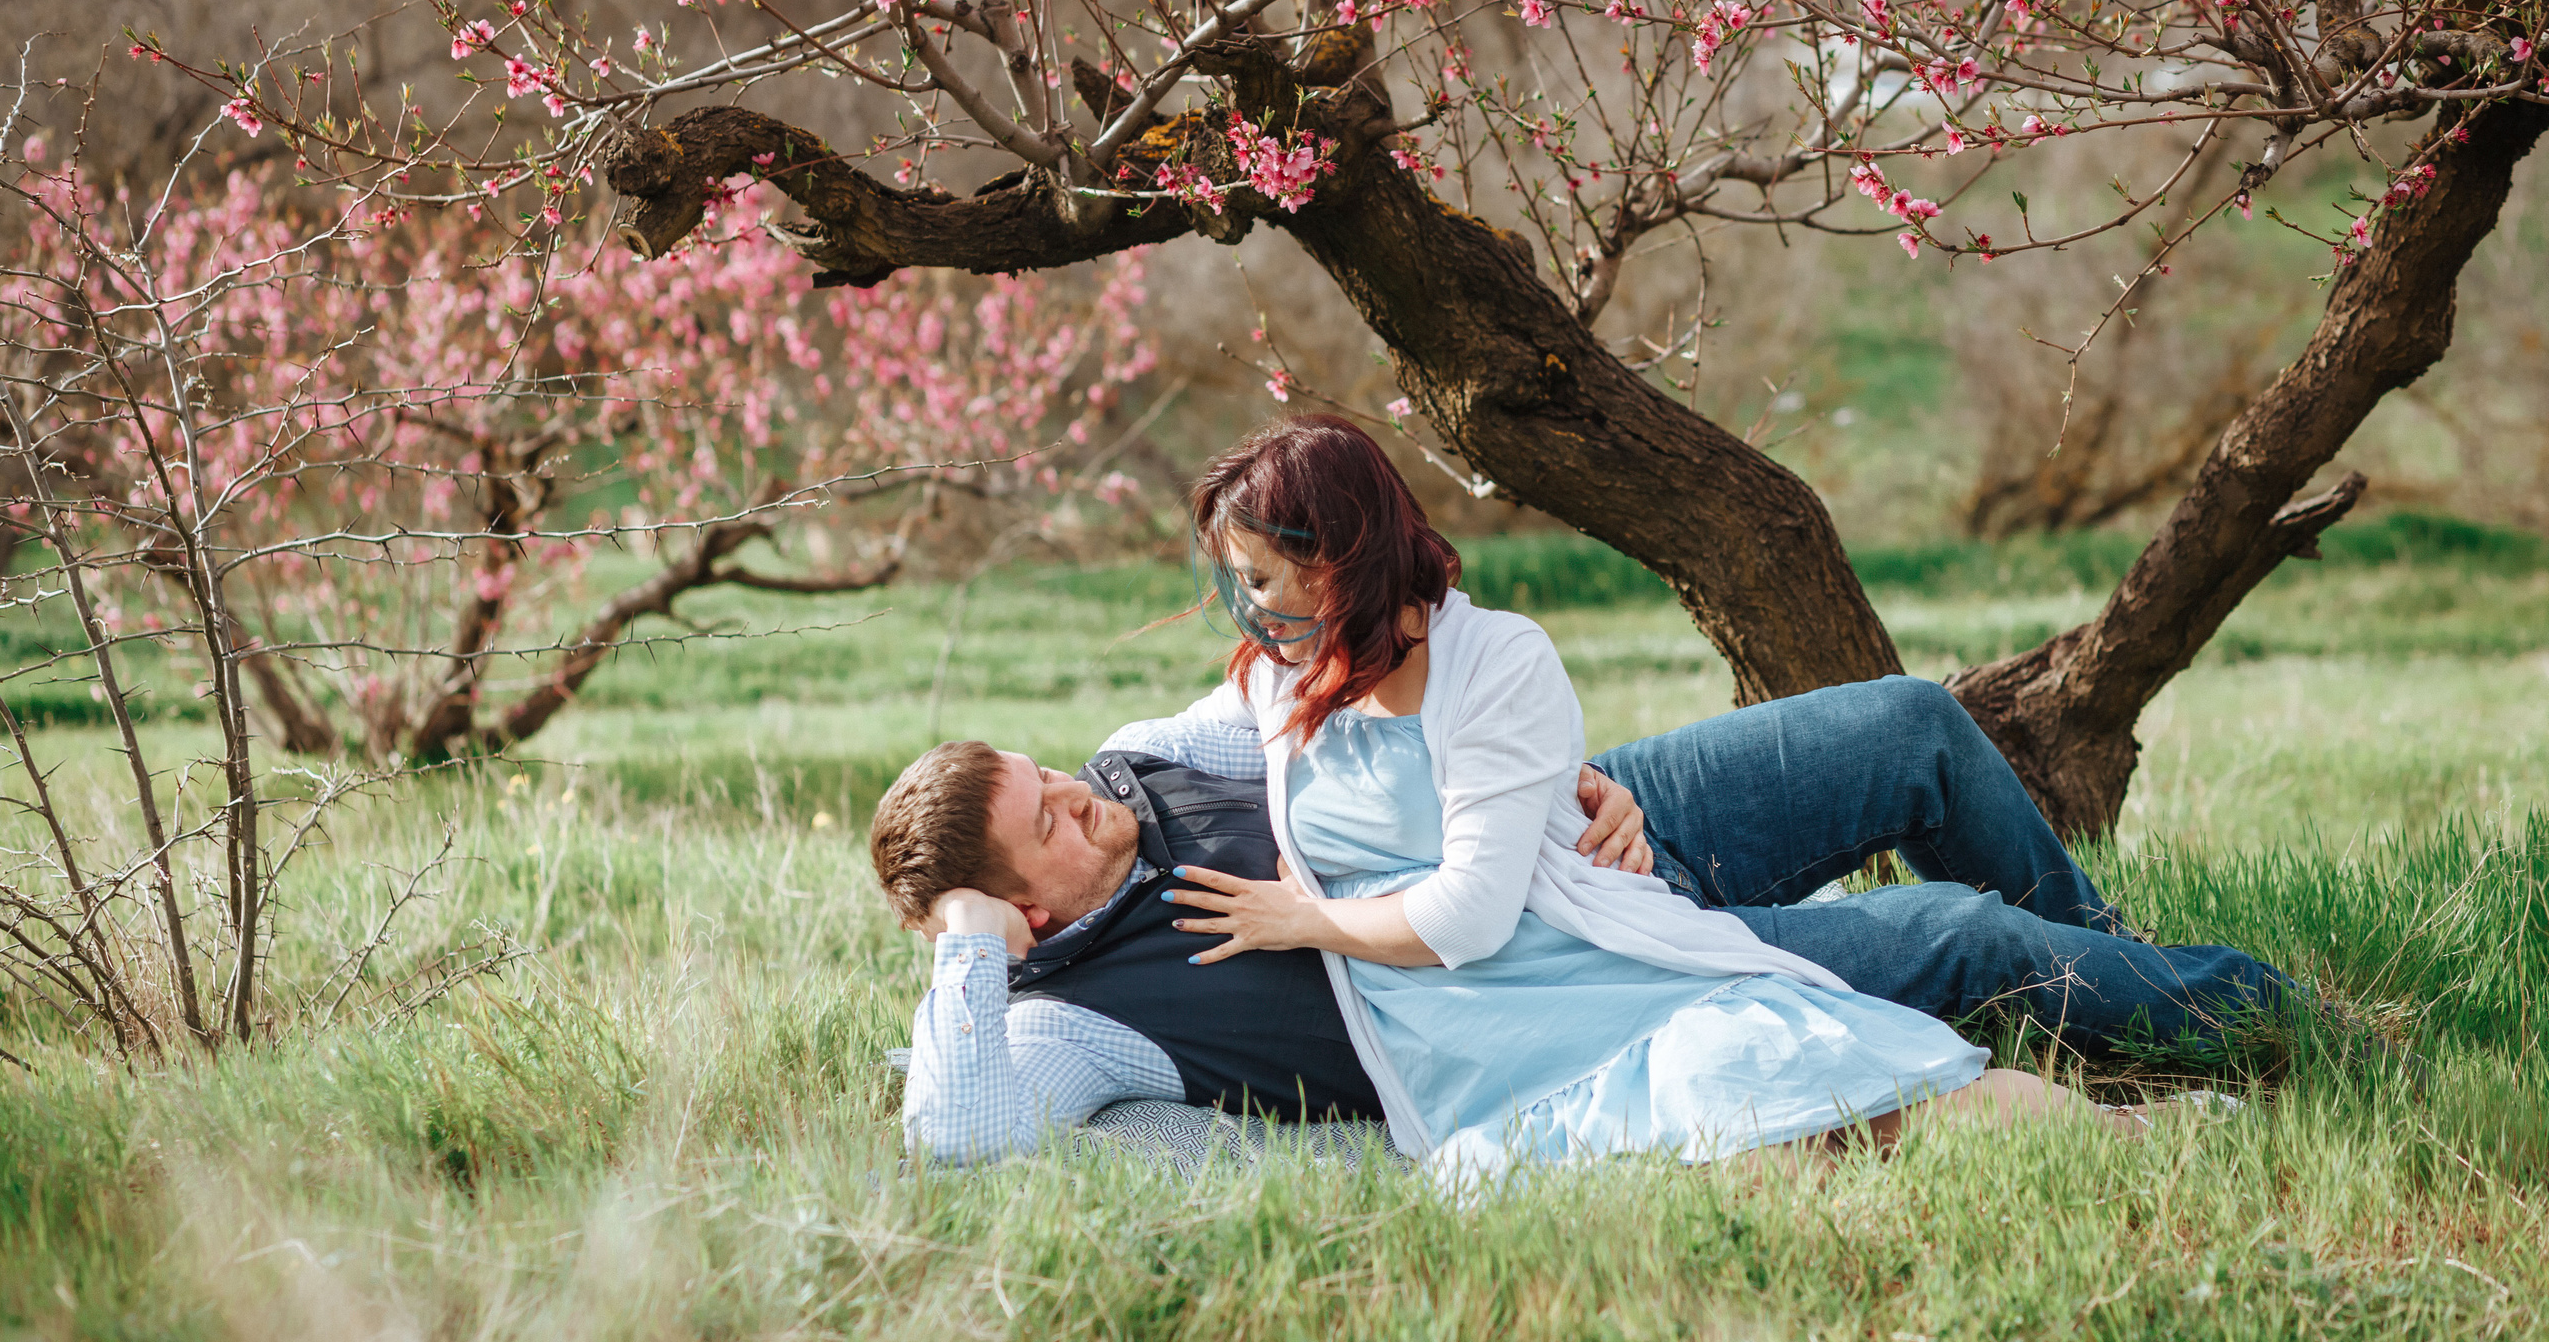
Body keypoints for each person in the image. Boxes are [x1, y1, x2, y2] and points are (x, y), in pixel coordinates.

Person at [872, 418, 2270, 1166]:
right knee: (1952, 940)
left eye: (1045, 773)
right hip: (1556, 976)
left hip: (1585, 823)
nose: (1077, 791)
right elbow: (961, 1133)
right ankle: (2231, 1028)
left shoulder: (1152, 763)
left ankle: (2127, 970)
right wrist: (967, 962)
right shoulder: (1082, 1018)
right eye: (1043, 821)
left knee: (1914, 726)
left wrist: (1563, 770)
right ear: (1021, 912)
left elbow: (1345, 699)